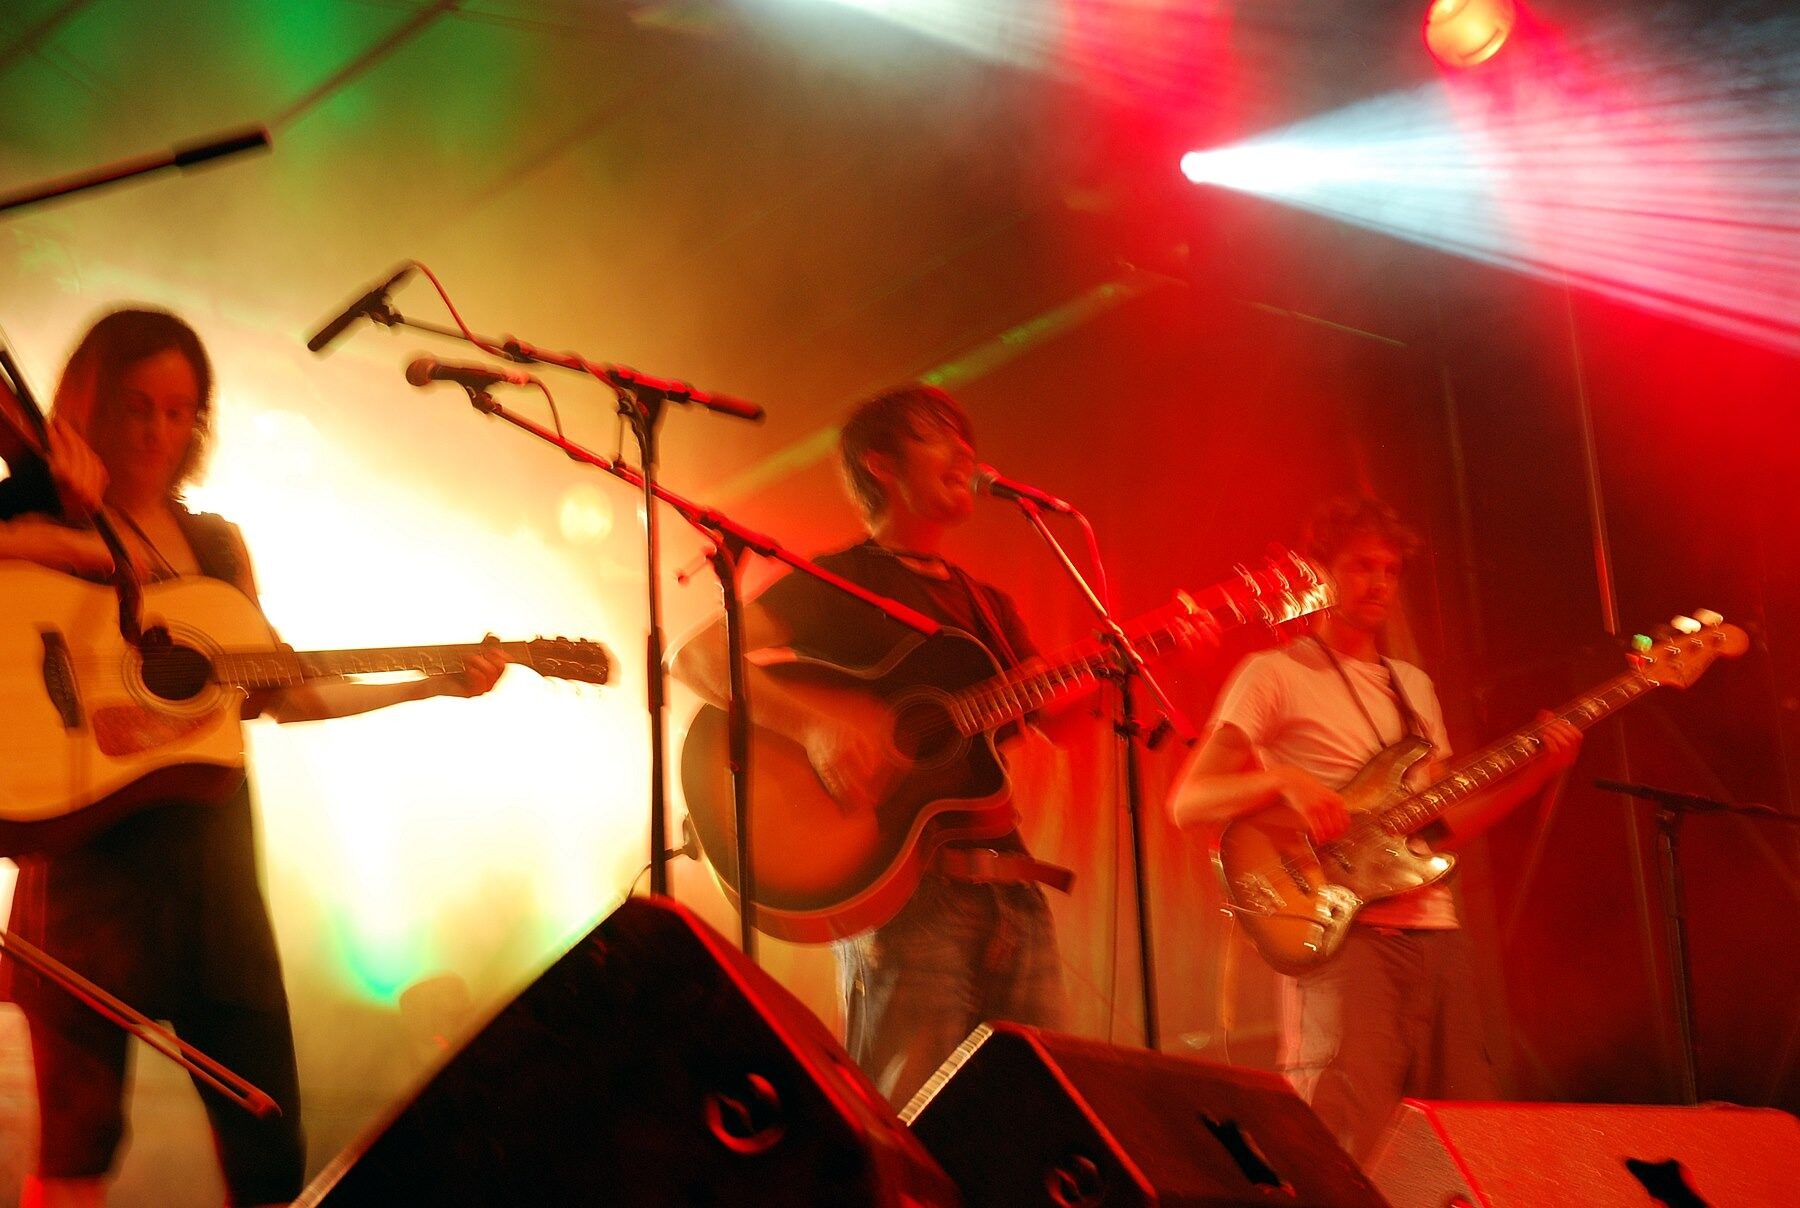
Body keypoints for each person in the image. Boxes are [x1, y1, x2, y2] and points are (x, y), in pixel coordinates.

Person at [0, 308, 506, 1208]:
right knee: (76, 1160)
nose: (159, 433)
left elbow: (289, 692)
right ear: (92, 404)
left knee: (270, 1161)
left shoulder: (219, 546)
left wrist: (431, 684)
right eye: (137, 407)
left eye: (179, 412)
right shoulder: (35, 505)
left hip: (215, 890)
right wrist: (68, 541)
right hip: (84, 885)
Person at [671, 383, 1068, 1109]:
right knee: (905, 1120)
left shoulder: (989, 607)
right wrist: (813, 727)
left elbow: (1054, 720)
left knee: (1036, 1119)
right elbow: (697, 659)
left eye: (966, 439)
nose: (965, 452)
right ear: (881, 464)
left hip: (1014, 891)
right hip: (903, 901)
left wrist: (1119, 668)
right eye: (937, 435)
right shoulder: (840, 581)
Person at [1165, 496, 1581, 1163]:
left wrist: (1536, 777)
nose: (1380, 583)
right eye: (1362, 566)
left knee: (1463, 1150)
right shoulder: (1273, 674)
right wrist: (1284, 781)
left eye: (1390, 570)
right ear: (1320, 573)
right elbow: (1190, 802)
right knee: (1349, 1150)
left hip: (1437, 938)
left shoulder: (1412, 686)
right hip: (1342, 938)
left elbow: (1441, 826)